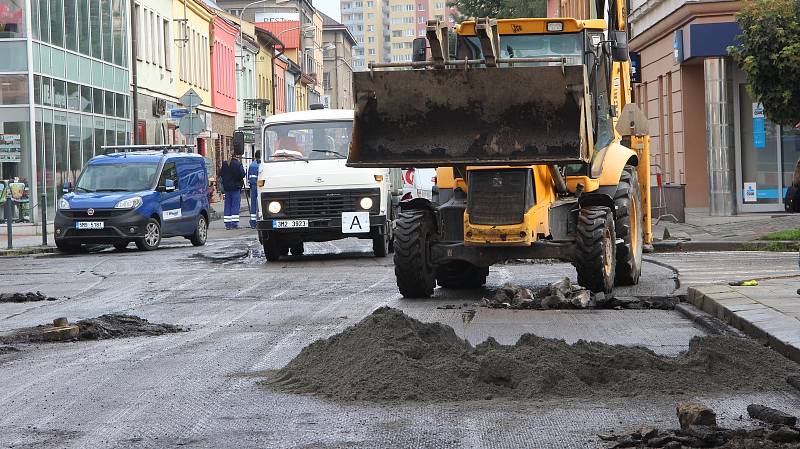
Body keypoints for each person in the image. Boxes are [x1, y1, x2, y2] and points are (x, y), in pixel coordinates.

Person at [217, 154, 245, 230]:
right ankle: (234, 223)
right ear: (236, 156)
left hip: (226, 188)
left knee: (227, 205)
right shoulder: (238, 164)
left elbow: (220, 174)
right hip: (235, 187)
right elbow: (242, 174)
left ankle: (227, 224)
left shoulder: (225, 164)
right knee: (235, 205)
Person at [247, 150, 261, 229]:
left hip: (253, 186)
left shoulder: (252, 165)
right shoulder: (260, 165)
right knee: (260, 203)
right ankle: (259, 219)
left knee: (253, 204)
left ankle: (253, 222)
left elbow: (250, 178)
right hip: (260, 186)